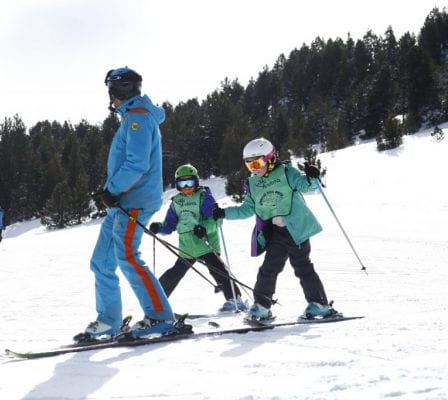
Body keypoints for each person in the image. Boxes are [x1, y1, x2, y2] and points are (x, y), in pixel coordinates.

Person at [77, 66, 177, 341]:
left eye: (111, 91)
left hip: (134, 201)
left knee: (128, 256)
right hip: (121, 202)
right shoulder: (132, 118)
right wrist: (111, 193)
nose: (110, 98)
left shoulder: (138, 119)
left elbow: (137, 164)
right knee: (101, 262)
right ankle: (109, 320)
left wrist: (112, 189)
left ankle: (160, 316)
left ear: (118, 91)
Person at [213, 137, 335, 321]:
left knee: (302, 267)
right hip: (276, 233)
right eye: (249, 165)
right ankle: (261, 307)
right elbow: (247, 209)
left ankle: (319, 305)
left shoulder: (287, 172)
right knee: (268, 269)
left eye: (256, 163)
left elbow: (307, 185)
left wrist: (312, 175)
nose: (254, 168)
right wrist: (224, 213)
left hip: (297, 230)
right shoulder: (253, 183)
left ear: (270, 158)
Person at [149, 164, 246, 312]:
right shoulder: (176, 202)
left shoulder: (203, 196)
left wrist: (204, 228)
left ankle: (235, 299)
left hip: (205, 243)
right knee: (175, 273)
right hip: (186, 247)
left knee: (217, 271)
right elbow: (170, 224)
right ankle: (157, 302)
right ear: (177, 185)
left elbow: (213, 219)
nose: (187, 187)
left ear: (197, 182)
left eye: (190, 183)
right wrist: (159, 228)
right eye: (182, 184)